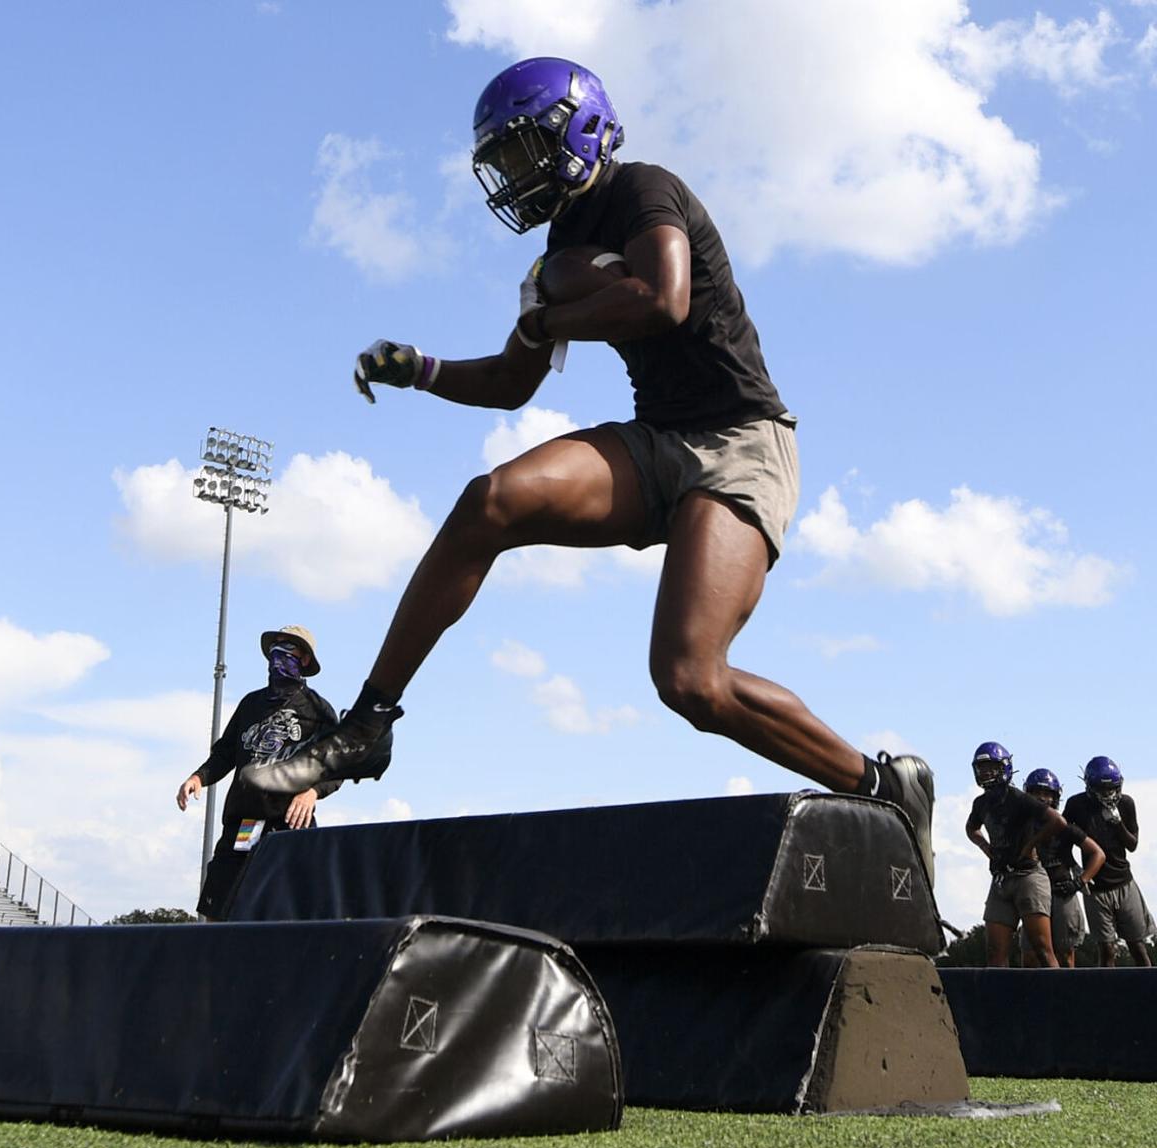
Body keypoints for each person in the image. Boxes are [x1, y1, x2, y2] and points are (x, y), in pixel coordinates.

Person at [241, 56, 935, 882]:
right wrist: (421, 367)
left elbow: (662, 299)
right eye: (501, 162)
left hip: (741, 443)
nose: (514, 176)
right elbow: (510, 381)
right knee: (489, 501)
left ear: (580, 128)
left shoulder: (646, 188)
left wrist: (553, 306)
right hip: (658, 441)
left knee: (690, 680)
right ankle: (367, 725)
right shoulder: (562, 244)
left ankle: (883, 783)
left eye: (522, 152)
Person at [177, 625, 345, 920]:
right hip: (247, 822)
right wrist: (198, 777)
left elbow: (338, 763)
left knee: (295, 907)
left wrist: (312, 792)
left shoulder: (318, 709)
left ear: (304, 659)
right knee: (223, 902)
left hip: (289, 824)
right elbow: (226, 752)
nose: (278, 655)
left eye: (288, 648)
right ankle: (218, 962)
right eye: (274, 648)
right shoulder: (251, 704)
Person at [965, 742, 1066, 967]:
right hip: (1001, 879)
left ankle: (1060, 1000)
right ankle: (1000, 1002)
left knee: (1042, 949)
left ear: (1005, 768)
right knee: (994, 953)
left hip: (1027, 876)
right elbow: (971, 828)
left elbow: (1057, 821)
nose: (986, 772)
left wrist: (1030, 845)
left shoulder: (1018, 797)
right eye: (982, 768)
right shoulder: (981, 802)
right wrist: (986, 848)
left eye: (991, 767)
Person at [1063, 756, 1154, 967]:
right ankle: (1106, 996)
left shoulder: (1126, 803)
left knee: (1137, 944)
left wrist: (1117, 823)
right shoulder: (1077, 805)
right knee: (1106, 948)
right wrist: (1074, 868)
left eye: (1112, 788)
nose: (1108, 794)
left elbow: (1132, 844)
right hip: (1096, 886)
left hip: (1123, 881)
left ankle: (1150, 994)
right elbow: (1063, 841)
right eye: (1102, 790)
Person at [1018, 767, 1104, 968]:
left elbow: (1097, 854)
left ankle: (1067, 998)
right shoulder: (1020, 826)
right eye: (1036, 793)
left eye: (1047, 793)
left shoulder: (1064, 826)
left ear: (1055, 797)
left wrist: (1079, 882)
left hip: (1062, 891)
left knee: (1066, 955)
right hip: (1033, 894)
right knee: (1030, 956)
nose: (1041, 798)